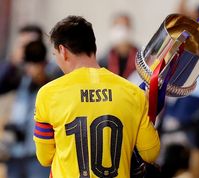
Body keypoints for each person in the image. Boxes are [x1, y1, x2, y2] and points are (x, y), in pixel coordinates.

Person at [33, 15, 160, 178]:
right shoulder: (133, 92)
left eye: (55, 54)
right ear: (93, 46)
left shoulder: (48, 94)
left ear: (63, 51)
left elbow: (44, 157)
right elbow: (151, 153)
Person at [3, 40, 51, 178]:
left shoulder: (50, 82)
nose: (30, 69)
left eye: (34, 65)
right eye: (28, 64)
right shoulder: (20, 79)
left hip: (37, 155)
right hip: (15, 151)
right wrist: (12, 62)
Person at [100, 14, 138, 81]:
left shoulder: (142, 61)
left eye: (125, 27)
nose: (121, 32)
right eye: (118, 27)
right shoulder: (102, 63)